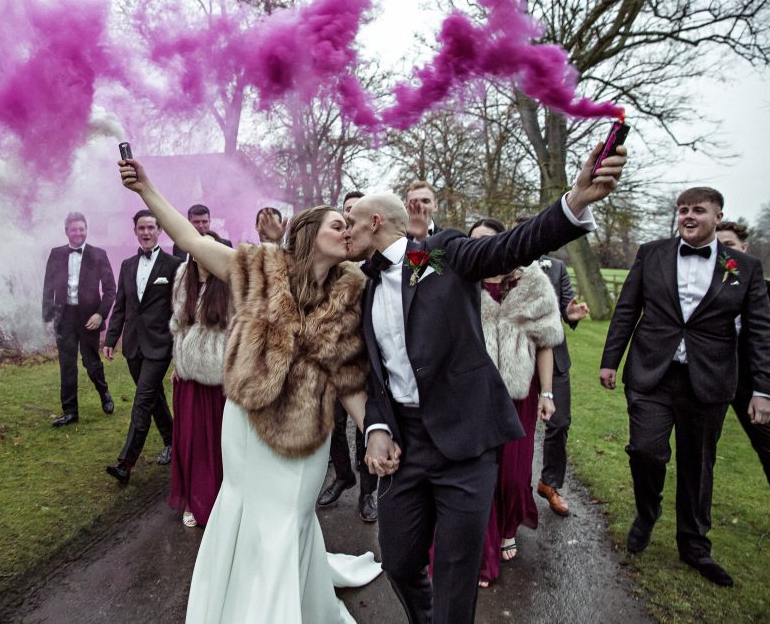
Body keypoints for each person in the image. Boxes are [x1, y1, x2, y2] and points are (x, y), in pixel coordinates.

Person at [348, 141, 626, 624]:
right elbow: (380, 372)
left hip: (466, 445)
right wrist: (376, 427)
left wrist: (574, 202)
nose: (346, 227)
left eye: (352, 220)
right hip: (407, 449)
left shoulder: (434, 257)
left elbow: (508, 247)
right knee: (398, 560)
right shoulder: (367, 284)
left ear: (375, 223)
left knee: (457, 573)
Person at [116, 157, 381, 623]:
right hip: (247, 425)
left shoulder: (352, 294)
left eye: (349, 226)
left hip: (305, 431)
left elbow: (349, 379)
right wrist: (147, 190)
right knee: (245, 513)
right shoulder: (259, 267)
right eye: (337, 223)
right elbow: (191, 240)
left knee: (289, 521)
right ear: (307, 232)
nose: (345, 231)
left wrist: (374, 432)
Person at [600, 187, 770, 588]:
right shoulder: (652, 253)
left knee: (698, 464)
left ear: (717, 215)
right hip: (651, 374)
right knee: (645, 450)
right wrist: (610, 360)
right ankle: (647, 512)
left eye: (698, 210)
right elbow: (627, 308)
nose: (688, 217)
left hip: (708, 380)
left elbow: (760, 333)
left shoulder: (743, 266)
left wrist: (763, 388)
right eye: (682, 210)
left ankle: (694, 545)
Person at [466, 217, 563, 587]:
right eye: (473, 241)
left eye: (488, 240)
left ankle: (509, 526)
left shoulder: (532, 281)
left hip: (518, 395)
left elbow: (546, 341)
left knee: (512, 473)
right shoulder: (463, 282)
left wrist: (548, 393)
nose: (480, 247)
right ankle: (483, 543)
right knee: (479, 474)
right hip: (473, 397)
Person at [512, 216, 591, 515]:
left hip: (553, 357)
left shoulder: (556, 267)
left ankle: (550, 483)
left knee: (559, 423)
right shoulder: (502, 264)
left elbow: (566, 306)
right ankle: (512, 487)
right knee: (515, 428)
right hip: (515, 357)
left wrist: (570, 312)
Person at [102, 209, 183, 483]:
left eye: (151, 227)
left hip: (161, 345)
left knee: (142, 400)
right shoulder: (126, 265)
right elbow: (121, 306)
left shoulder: (173, 265)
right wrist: (111, 339)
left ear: (159, 230)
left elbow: (179, 309)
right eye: (141, 228)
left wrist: (179, 346)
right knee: (154, 396)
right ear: (135, 231)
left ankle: (126, 462)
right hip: (133, 345)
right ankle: (173, 442)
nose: (146, 232)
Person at [318, 189, 379, 522]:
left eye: (356, 215)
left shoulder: (373, 259)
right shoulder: (332, 261)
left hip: (367, 359)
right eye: (346, 214)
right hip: (334, 361)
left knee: (365, 425)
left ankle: (368, 493)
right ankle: (343, 475)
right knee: (334, 424)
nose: (349, 223)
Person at [167, 231, 233, 527]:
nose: (202, 256)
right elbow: (178, 325)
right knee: (189, 442)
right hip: (188, 377)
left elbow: (239, 330)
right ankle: (194, 500)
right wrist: (175, 364)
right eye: (197, 249)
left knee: (219, 443)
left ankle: (221, 501)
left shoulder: (231, 281)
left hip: (220, 378)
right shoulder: (183, 277)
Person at [41, 212, 116, 425]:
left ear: (86, 230)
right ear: (67, 232)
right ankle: (71, 412)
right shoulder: (56, 254)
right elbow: (48, 288)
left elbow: (110, 290)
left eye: (81, 229)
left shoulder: (98, 254)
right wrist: (47, 318)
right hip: (64, 318)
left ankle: (104, 393)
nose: (78, 233)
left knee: (91, 363)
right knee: (67, 365)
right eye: (73, 229)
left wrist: (100, 314)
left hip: (89, 318)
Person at [715, 221, 770, 484]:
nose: (724, 253)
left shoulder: (763, 291)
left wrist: (763, 390)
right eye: (718, 247)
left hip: (751, 382)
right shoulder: (703, 289)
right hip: (712, 379)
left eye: (730, 246)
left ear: (743, 248)